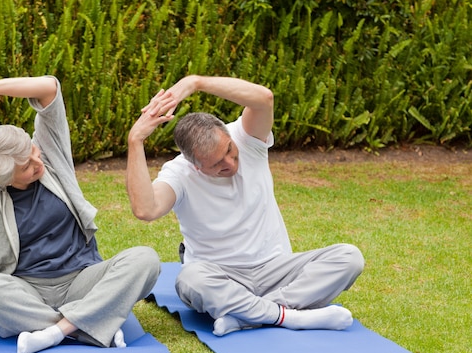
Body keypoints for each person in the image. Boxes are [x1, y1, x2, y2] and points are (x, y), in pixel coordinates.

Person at [0, 75, 160, 353]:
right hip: (27, 290)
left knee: (145, 259)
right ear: (5, 180)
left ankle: (55, 332)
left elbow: (50, 88)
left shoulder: (50, 154)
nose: (38, 162)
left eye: (33, 152)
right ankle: (89, 324)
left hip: (82, 279)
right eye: (26, 166)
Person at [126, 75, 364, 336]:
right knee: (190, 281)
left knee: (349, 258)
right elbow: (145, 209)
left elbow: (264, 98)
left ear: (228, 135)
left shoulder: (247, 139)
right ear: (194, 164)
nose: (229, 163)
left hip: (275, 270)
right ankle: (286, 315)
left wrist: (195, 83)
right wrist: (135, 141)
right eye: (216, 164)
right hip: (222, 277)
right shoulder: (179, 174)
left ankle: (249, 315)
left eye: (229, 150)